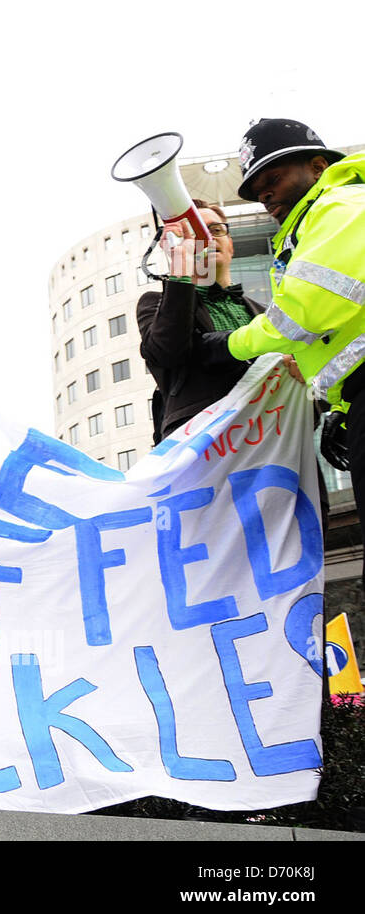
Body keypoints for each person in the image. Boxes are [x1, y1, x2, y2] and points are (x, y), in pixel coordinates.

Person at [216, 118, 364, 578]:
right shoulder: (313, 227)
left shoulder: (342, 206)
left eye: (274, 179)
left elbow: (304, 311)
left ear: (319, 167)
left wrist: (230, 343)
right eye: (259, 191)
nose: (268, 196)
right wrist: (340, 408)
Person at [136, 198, 265, 443]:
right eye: (195, 232)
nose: (208, 238)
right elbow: (167, 353)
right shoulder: (153, 303)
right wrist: (181, 268)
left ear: (231, 245)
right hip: (204, 445)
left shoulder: (266, 312)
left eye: (216, 230)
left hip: (274, 436)